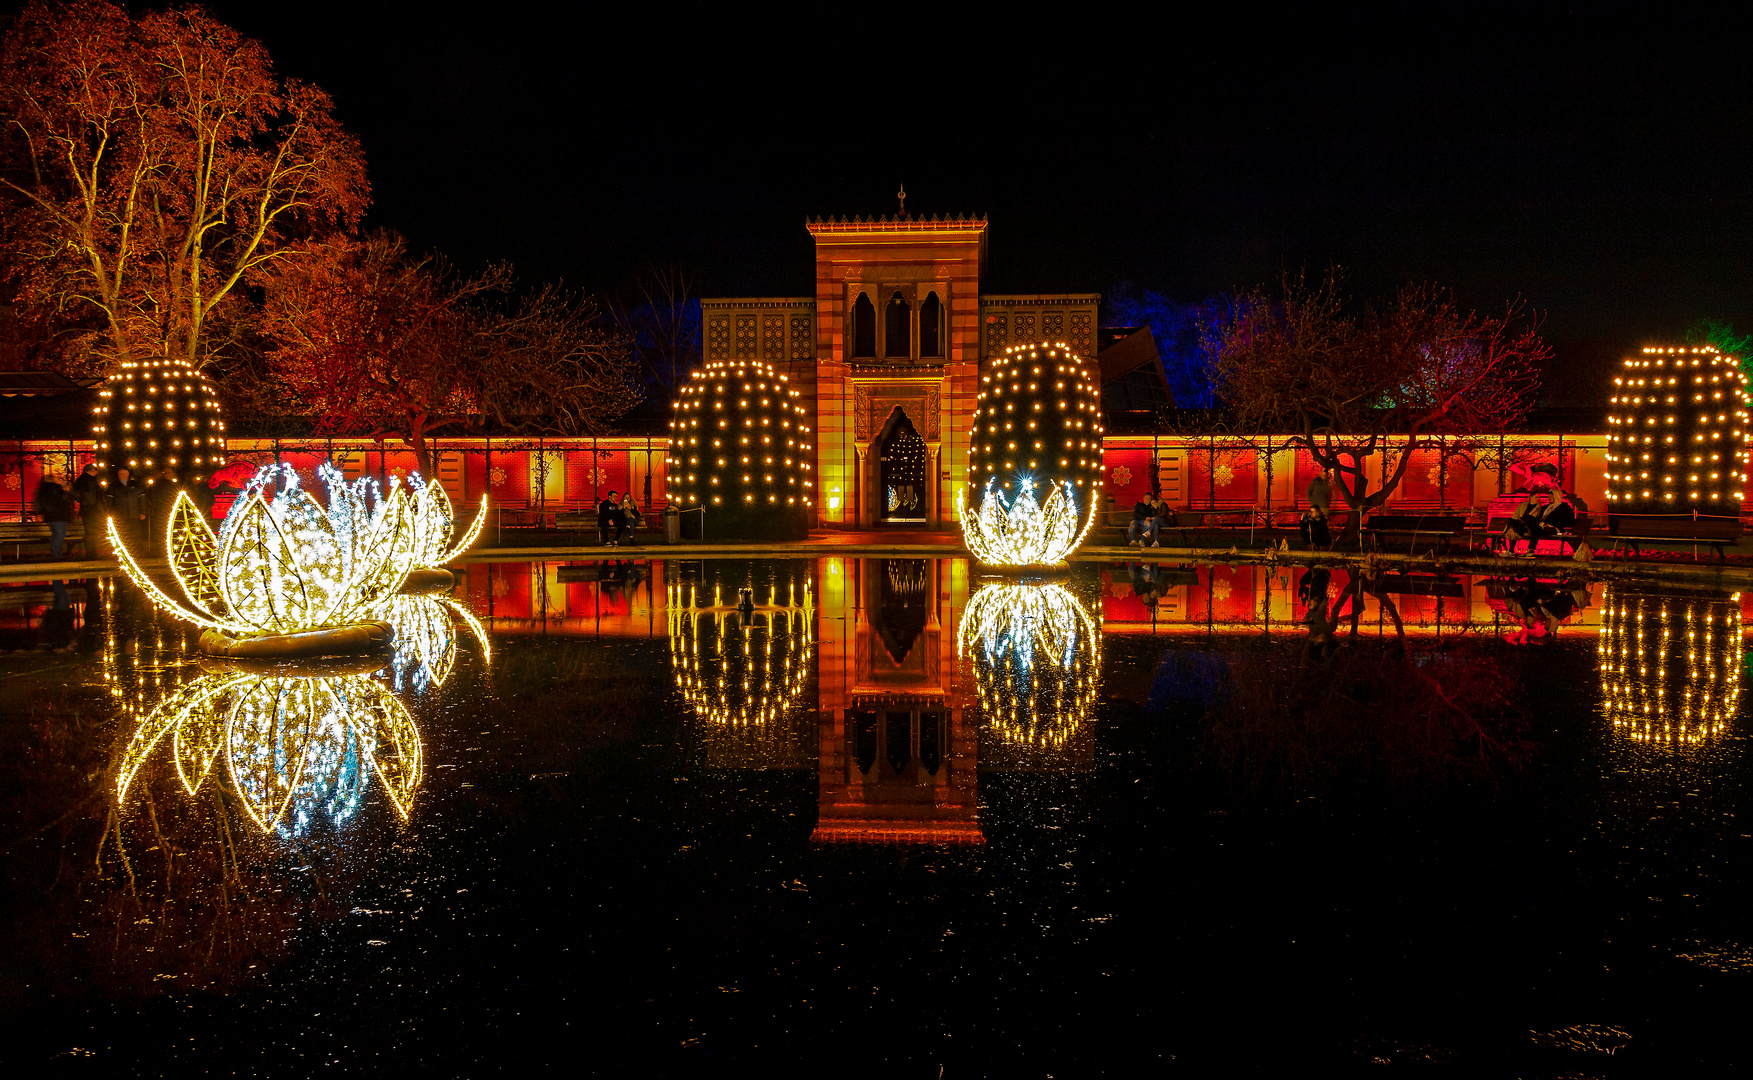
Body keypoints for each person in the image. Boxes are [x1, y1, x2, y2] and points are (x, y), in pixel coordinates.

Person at [33, 469, 75, 559]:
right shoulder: (54, 488)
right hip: (59, 516)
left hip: (54, 516)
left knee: (59, 535)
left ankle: (57, 554)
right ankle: (57, 555)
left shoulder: (44, 490)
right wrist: (65, 490)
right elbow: (61, 501)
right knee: (59, 535)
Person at [108, 467, 145, 551]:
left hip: (134, 513)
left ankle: (138, 550)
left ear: (128, 474)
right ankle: (124, 550)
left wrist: (143, 512)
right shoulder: (114, 485)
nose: (121, 475)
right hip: (120, 514)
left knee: (136, 533)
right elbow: (109, 501)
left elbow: (142, 500)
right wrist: (111, 513)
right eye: (120, 474)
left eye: (123, 473)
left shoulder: (136, 485)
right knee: (122, 533)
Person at [145, 466, 181, 554]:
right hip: (163, 510)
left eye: (169, 472)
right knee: (164, 530)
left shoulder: (171, 484)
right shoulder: (163, 485)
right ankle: (164, 549)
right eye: (166, 472)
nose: (167, 474)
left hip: (166, 510)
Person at [72, 463, 102, 555]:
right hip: (90, 508)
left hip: (89, 508)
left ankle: (91, 550)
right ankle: (91, 551)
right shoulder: (87, 481)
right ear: (91, 471)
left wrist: (82, 500)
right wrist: (83, 500)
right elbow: (75, 493)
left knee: (90, 531)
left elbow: (74, 493)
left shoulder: (83, 480)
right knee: (91, 531)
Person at [1303, 468, 1334, 549]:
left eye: (1326, 474)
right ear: (1321, 473)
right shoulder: (1316, 481)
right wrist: (1312, 500)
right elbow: (1308, 491)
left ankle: (1323, 543)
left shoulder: (1329, 482)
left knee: (1323, 525)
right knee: (1314, 525)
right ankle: (1314, 542)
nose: (1324, 476)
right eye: (1323, 474)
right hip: (1315, 505)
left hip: (1324, 506)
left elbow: (1332, 493)